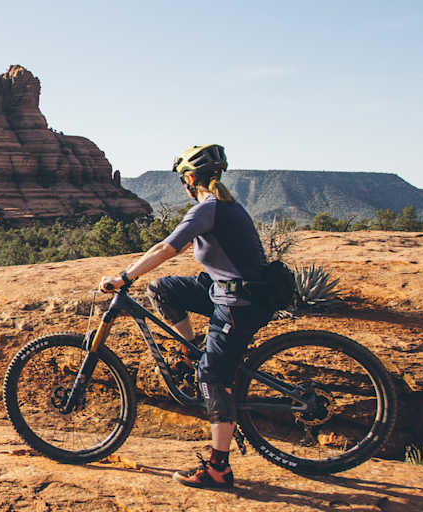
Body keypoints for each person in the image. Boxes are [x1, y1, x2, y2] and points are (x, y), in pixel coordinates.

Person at [96, 144, 272, 489]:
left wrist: (125, 277)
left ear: (191, 179)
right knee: (163, 289)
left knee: (213, 378)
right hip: (225, 290)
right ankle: (191, 352)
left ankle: (219, 469)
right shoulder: (223, 205)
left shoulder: (209, 209)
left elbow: (165, 248)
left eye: (183, 180)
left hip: (240, 302)